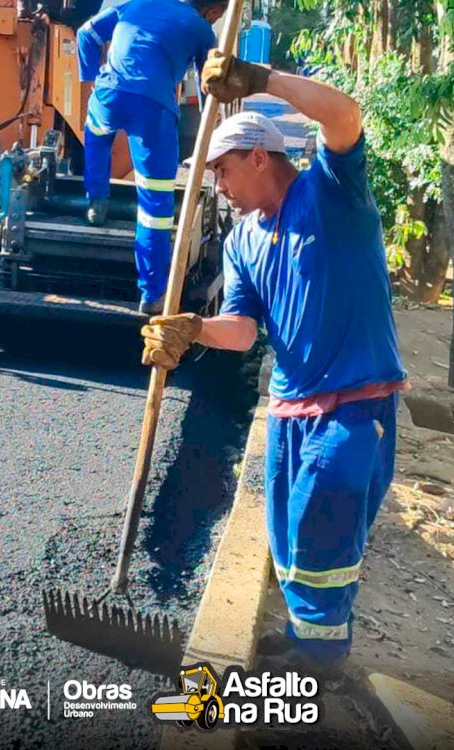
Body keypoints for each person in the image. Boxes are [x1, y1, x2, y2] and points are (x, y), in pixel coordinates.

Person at [141, 53, 409, 678]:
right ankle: (306, 636)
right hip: (291, 408)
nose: (219, 187)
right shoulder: (241, 241)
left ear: (259, 157)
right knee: (290, 540)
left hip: (354, 399)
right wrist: (191, 330)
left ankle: (321, 662)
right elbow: (242, 330)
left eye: (223, 171)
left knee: (326, 519)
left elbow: (343, 113)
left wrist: (260, 81)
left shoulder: (332, 191)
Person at [76, 0, 229, 315]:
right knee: (155, 207)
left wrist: (92, 79)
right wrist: (211, 125)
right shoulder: (202, 30)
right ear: (213, 13)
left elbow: (86, 33)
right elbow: (208, 85)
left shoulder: (137, 4)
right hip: (154, 109)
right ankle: (153, 294)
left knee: (97, 131)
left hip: (110, 95)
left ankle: (96, 199)